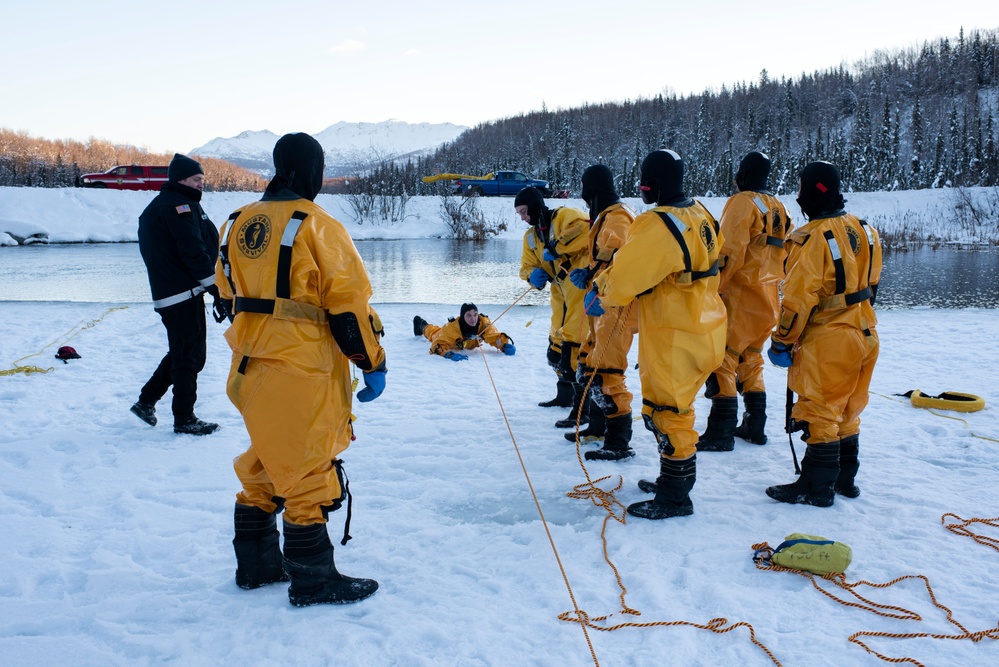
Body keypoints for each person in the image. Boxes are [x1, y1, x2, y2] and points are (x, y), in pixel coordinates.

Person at [216, 132, 388, 606]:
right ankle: (314, 580)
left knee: (269, 456)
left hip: (248, 367)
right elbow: (348, 310)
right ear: (308, 169)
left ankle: (256, 565)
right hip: (303, 368)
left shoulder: (235, 223)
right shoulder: (318, 226)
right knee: (310, 465)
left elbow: (225, 294)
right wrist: (373, 362)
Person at [588, 150, 726, 519]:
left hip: (673, 333)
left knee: (667, 413)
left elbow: (625, 278)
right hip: (707, 326)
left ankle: (676, 496)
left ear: (654, 183)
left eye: (644, 179)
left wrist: (599, 290)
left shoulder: (657, 224)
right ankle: (671, 480)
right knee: (679, 409)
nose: (641, 187)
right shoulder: (701, 213)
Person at [765, 161, 881, 507]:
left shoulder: (813, 238)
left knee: (820, 410)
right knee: (847, 410)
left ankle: (816, 487)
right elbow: (873, 284)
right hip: (866, 331)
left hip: (830, 337)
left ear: (815, 191)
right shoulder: (865, 229)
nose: (798, 196)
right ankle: (845, 479)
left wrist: (782, 341)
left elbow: (798, 299)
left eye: (801, 189)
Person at [697, 151, 793, 452]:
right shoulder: (778, 207)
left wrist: (711, 289)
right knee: (751, 358)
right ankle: (755, 426)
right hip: (768, 300)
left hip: (740, 297)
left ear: (743, 173)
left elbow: (729, 252)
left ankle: (720, 431)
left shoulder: (742, 203)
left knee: (721, 358)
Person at [130, 153, 222, 436]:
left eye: (202, 180)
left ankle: (146, 401)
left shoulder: (168, 204)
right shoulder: (178, 206)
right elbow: (192, 250)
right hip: (181, 293)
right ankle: (184, 417)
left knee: (183, 353)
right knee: (188, 358)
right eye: (196, 180)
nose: (201, 185)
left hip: (173, 293)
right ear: (180, 179)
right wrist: (214, 287)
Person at [565, 165, 639, 461]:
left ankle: (619, 441)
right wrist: (588, 273)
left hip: (615, 307)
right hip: (601, 306)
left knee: (608, 372)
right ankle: (597, 427)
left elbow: (622, 266)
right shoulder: (606, 217)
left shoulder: (618, 218)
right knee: (589, 363)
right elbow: (605, 262)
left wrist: (597, 285)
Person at [515, 186, 590, 427]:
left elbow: (585, 228)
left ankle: (582, 410)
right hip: (558, 292)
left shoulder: (565, 216)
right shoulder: (530, 237)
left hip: (579, 286)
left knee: (574, 348)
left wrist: (556, 247)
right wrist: (531, 275)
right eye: (519, 213)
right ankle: (564, 396)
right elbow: (526, 266)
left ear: (536, 205)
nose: (523, 217)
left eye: (524, 211)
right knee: (556, 350)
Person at [413, 303, 516, 360]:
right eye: (469, 315)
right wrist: (448, 355)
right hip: (452, 343)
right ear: (463, 316)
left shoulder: (483, 323)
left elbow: (493, 336)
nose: (473, 318)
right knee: (433, 333)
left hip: (470, 343)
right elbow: (437, 345)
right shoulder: (452, 329)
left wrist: (503, 345)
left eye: (475, 314)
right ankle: (421, 324)